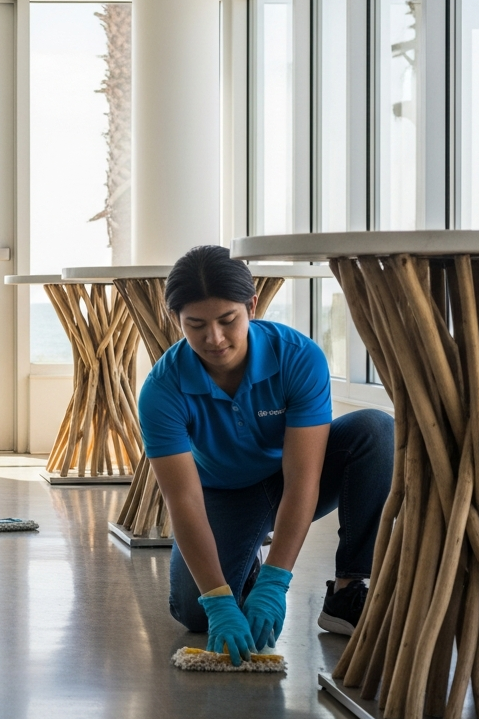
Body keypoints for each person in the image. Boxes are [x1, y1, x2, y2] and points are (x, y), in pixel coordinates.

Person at [138, 245, 393, 664]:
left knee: (376, 429)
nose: (214, 338)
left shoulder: (298, 357)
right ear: (175, 319)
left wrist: (276, 580)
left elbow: (303, 481)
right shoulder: (161, 390)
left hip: (290, 476)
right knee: (193, 611)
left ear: (251, 305)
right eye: (196, 325)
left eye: (228, 320)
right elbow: (183, 499)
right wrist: (218, 600)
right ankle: (242, 571)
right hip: (224, 492)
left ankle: (348, 591)